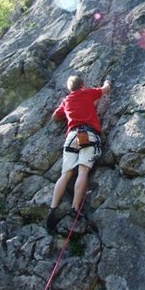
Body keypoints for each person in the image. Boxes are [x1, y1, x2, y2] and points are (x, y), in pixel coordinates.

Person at [46, 75, 111, 231]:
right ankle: (75, 208)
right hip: (88, 134)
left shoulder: (67, 100)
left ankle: (53, 208)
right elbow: (106, 90)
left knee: (66, 174)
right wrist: (107, 80)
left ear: (70, 89)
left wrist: (66, 113)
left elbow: (55, 116)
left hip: (72, 136)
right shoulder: (86, 92)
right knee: (83, 172)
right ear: (82, 85)